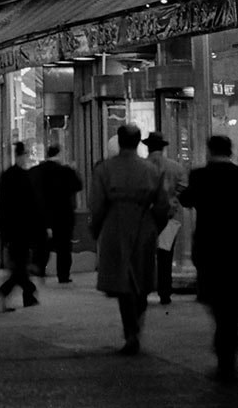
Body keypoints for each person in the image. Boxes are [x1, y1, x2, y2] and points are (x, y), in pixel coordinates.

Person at [88, 123, 169, 355]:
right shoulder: (151, 169)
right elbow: (162, 205)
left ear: (120, 140)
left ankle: (130, 330)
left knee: (123, 281)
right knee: (141, 278)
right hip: (144, 223)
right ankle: (137, 325)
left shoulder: (105, 169)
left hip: (115, 224)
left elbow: (96, 204)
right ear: (137, 142)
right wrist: (155, 226)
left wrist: (97, 228)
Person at [179, 134, 238, 380]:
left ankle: (226, 347)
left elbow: (187, 199)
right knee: (232, 300)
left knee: (215, 300)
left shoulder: (200, 175)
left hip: (208, 246)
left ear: (209, 150)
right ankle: (228, 342)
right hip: (236, 248)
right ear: (230, 151)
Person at [0, 142, 45, 310]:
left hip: (12, 228)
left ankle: (28, 294)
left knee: (20, 265)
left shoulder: (8, 176)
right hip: (22, 228)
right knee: (20, 267)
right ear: (22, 156)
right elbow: (32, 205)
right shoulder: (24, 177)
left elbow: (1, 205)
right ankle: (15, 292)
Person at [142, 131, 184, 305]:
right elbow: (182, 189)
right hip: (169, 215)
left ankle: (144, 290)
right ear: (163, 147)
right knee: (166, 255)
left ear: (148, 147)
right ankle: (165, 292)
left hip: (146, 217)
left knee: (145, 255)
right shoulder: (175, 167)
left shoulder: (142, 166)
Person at [29, 144, 82, 283]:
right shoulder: (66, 171)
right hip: (63, 215)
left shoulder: (36, 171)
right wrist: (74, 170)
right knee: (64, 247)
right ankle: (63, 275)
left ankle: (40, 269)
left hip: (42, 215)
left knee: (42, 244)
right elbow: (78, 186)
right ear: (60, 154)